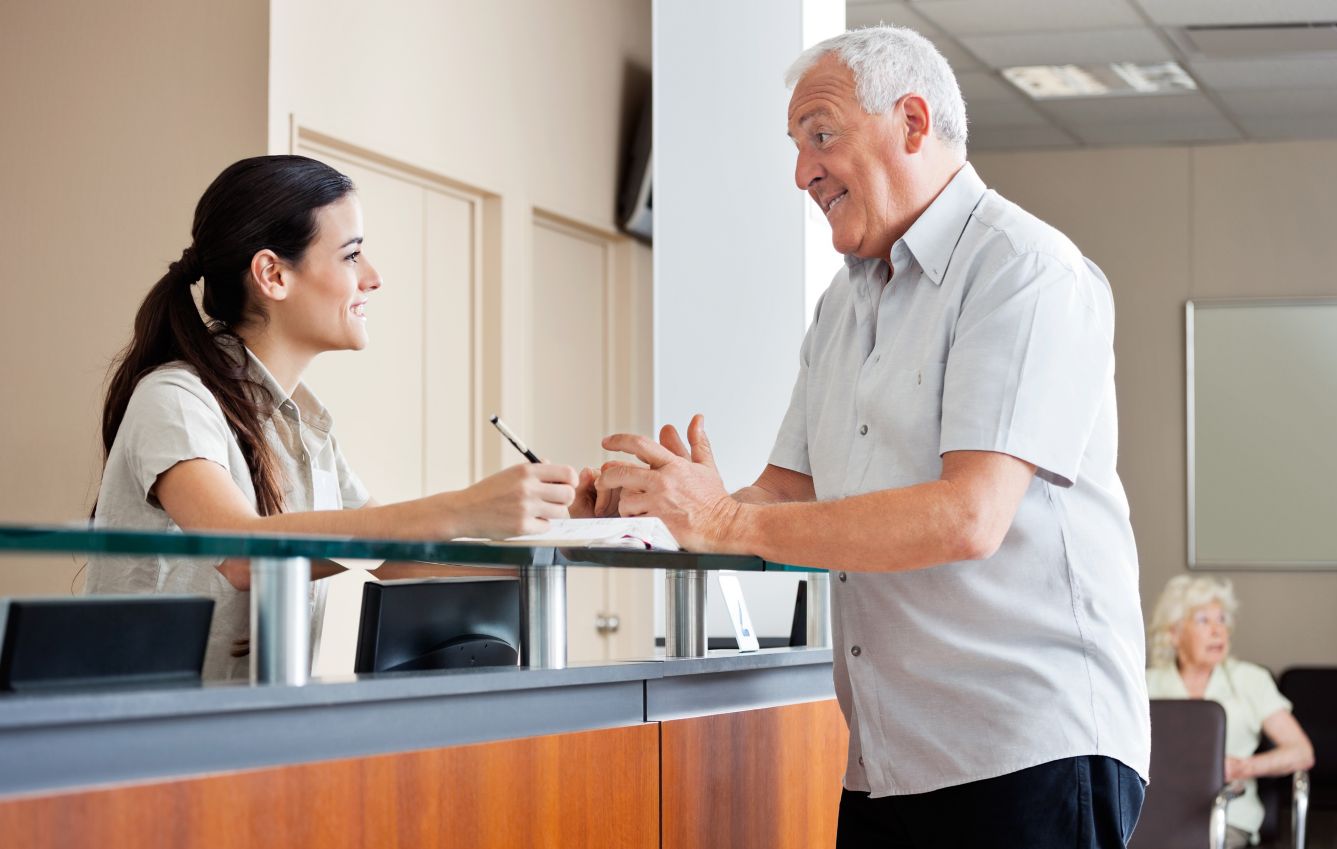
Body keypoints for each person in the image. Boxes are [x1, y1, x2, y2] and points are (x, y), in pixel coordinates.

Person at [589, 26, 1149, 848]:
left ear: (913, 125)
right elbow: (784, 492)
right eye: (794, 146)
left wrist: (725, 521)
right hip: (891, 759)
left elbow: (969, 517)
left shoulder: (1023, 271)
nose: (800, 172)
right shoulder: (843, 304)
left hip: (1028, 748)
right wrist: (658, 507)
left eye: (821, 136)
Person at [86, 155, 589, 681]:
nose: (373, 278)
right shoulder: (173, 398)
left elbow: (395, 560)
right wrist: (461, 509)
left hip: (247, 730)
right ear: (273, 274)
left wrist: (570, 530)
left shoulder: (307, 427)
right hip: (144, 739)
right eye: (352, 255)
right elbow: (242, 555)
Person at [1145, 576, 1315, 847]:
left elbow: (1301, 752)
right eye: (1203, 620)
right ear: (1174, 634)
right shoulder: (1145, 684)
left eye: (1222, 620)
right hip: (1153, 816)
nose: (1218, 631)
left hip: (1226, 816)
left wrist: (1242, 767)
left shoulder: (1250, 680)